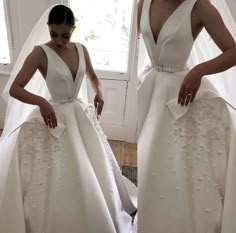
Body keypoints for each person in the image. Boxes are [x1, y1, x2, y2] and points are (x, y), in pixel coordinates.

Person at [0, 5, 136, 233]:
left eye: (65, 35)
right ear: (48, 29)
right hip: (56, 116)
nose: (59, 41)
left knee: (94, 165)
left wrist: (99, 92)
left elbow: (93, 77)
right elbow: (15, 88)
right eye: (54, 34)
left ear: (74, 29)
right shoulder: (40, 53)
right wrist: (42, 102)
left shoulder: (81, 49)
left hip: (80, 113)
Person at [137, 0, 236, 232]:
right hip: (149, 89)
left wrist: (198, 70)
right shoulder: (144, 2)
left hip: (180, 94)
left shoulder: (199, 6)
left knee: (176, 165)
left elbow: (233, 51)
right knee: (149, 160)